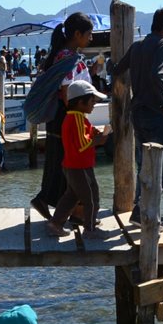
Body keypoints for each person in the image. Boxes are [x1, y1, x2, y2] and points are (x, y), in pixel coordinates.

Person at [114, 7, 163, 224]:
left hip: (138, 113)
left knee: (144, 164)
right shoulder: (162, 44)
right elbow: (157, 76)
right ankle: (144, 209)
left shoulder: (137, 46)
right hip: (156, 113)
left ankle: (141, 209)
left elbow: (117, 69)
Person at [27, 13, 95, 222]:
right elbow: (67, 92)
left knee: (60, 163)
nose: (91, 38)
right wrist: (76, 118)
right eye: (89, 34)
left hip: (62, 117)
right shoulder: (67, 57)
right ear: (77, 34)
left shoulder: (65, 54)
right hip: (65, 116)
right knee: (68, 165)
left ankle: (57, 204)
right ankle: (73, 210)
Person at [45, 80, 109, 238]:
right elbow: (83, 144)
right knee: (91, 197)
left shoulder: (74, 117)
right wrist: (100, 140)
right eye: (92, 101)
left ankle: (55, 223)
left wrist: (93, 132)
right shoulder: (78, 118)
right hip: (80, 167)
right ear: (81, 102)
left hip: (72, 166)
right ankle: (90, 230)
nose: (94, 105)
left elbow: (83, 134)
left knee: (72, 196)